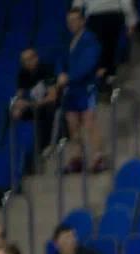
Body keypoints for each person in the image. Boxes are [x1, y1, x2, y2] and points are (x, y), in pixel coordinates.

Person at [58, 7, 106, 174]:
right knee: (72, 124)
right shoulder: (69, 40)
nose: (72, 24)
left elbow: (88, 64)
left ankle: (98, 158)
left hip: (86, 87)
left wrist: (69, 77)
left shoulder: (90, 40)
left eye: (75, 20)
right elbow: (61, 61)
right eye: (69, 21)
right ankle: (77, 158)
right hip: (72, 89)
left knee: (89, 122)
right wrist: (61, 74)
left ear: (82, 21)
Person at [76, 0, 138, 88]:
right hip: (113, 16)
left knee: (95, 51)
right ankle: (108, 78)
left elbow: (78, 3)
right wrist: (131, 20)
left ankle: (98, 79)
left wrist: (75, 14)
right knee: (110, 49)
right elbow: (125, 2)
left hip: (94, 17)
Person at [11, 49, 60, 153]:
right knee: (15, 112)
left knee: (47, 109)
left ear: (36, 58)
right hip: (35, 104)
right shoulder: (23, 73)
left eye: (30, 59)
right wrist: (16, 105)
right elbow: (19, 94)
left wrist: (30, 104)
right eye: (25, 61)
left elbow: (53, 97)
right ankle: (27, 150)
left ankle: (49, 145)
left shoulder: (46, 69)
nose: (28, 62)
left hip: (50, 104)